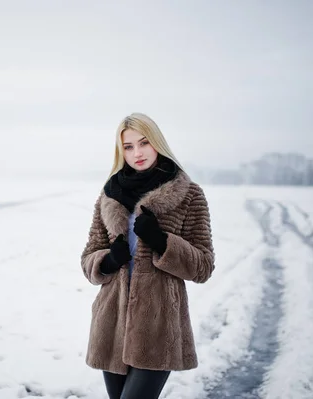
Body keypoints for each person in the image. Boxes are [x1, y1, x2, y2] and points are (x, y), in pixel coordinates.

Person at [80, 113, 215, 399]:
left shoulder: (189, 194)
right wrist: (108, 260)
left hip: (158, 327)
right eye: (128, 147)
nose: (137, 153)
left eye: (144, 143)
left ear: (157, 143)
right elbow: (88, 257)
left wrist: (162, 242)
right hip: (111, 325)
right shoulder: (109, 196)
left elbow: (203, 266)